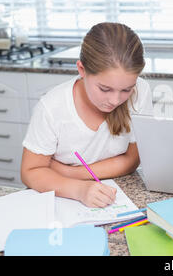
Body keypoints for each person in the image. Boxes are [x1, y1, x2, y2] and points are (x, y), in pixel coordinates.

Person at [21, 22, 153, 208]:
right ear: (82, 70)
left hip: (114, 195)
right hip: (63, 201)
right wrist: (79, 190)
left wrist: (71, 172)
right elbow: (31, 171)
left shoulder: (141, 91)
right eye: (105, 89)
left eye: (126, 90)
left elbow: (132, 159)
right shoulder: (52, 107)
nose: (115, 100)